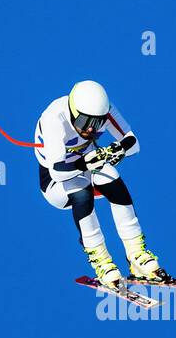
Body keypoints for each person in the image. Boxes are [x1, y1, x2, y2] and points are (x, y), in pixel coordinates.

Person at [35, 80, 167, 287]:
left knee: (112, 177)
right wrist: (86, 162)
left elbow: (133, 142)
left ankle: (136, 254)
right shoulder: (54, 118)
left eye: (96, 123)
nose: (89, 129)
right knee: (80, 190)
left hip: (88, 167)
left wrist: (118, 149)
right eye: (83, 122)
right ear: (72, 112)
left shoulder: (106, 111)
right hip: (55, 183)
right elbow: (58, 171)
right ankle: (102, 261)